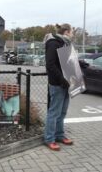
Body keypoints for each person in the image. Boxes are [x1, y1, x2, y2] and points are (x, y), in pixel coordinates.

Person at [44, 23, 74, 151]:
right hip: (57, 84)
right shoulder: (53, 43)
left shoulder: (66, 44)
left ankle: (60, 135)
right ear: (66, 32)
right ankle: (49, 139)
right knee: (54, 112)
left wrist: (81, 65)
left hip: (67, 84)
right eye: (72, 31)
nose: (73, 34)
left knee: (62, 112)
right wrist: (62, 80)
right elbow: (50, 65)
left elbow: (69, 62)